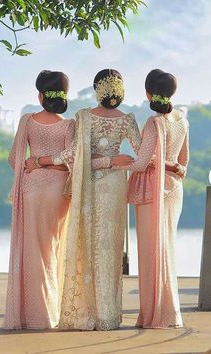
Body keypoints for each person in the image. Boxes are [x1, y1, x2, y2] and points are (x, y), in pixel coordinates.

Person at [27, 69, 142, 330]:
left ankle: (94, 313)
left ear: (95, 89)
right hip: (107, 185)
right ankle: (105, 315)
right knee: (103, 247)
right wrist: (115, 161)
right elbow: (139, 158)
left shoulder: (85, 117)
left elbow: (80, 160)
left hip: (99, 187)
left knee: (98, 247)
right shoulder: (124, 120)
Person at [4, 70, 75, 329]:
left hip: (31, 189)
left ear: (40, 95)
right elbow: (71, 161)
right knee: (52, 250)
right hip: (58, 191)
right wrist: (52, 167)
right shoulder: (69, 125)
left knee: (31, 249)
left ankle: (33, 315)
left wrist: (34, 165)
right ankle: (51, 313)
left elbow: (15, 159)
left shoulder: (27, 121)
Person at [124, 69, 189, 328]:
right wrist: (169, 166)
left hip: (152, 190)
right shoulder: (182, 119)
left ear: (148, 93)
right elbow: (183, 163)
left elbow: (140, 164)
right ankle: (169, 312)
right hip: (174, 190)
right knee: (167, 250)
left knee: (151, 253)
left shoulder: (154, 123)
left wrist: (116, 164)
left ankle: (154, 315)